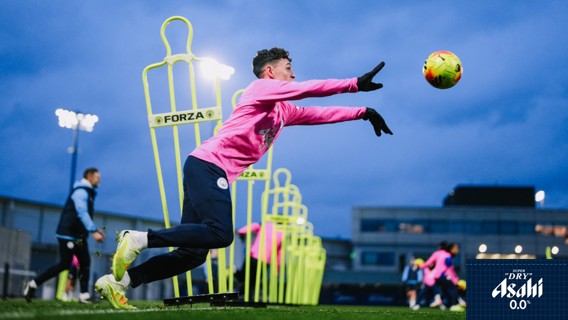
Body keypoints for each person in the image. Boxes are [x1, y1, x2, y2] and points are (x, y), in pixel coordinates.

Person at [94, 47, 392, 309]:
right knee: (220, 234)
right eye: (288, 68)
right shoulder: (259, 89)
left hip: (205, 168)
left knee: (193, 255)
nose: (294, 74)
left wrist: (363, 112)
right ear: (269, 71)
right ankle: (139, 238)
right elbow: (307, 89)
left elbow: (316, 113)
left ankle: (118, 283)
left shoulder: (282, 110)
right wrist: (353, 84)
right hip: (208, 166)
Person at [24, 168, 105, 303]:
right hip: (68, 235)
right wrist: (94, 230)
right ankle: (32, 284)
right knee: (64, 265)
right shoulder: (81, 192)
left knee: (85, 262)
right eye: (98, 177)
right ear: (90, 177)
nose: (99, 180)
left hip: (78, 237)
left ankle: (84, 295)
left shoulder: (88, 192)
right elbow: (82, 212)